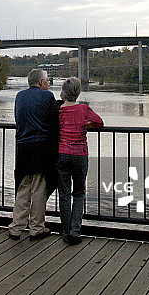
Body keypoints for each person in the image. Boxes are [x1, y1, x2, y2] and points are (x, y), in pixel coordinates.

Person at [52, 77, 103, 245]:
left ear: (63, 93)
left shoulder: (58, 109)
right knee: (79, 193)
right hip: (80, 155)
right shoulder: (84, 109)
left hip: (62, 154)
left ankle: (66, 232)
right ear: (78, 92)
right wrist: (85, 124)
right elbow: (100, 122)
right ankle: (75, 231)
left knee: (64, 194)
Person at [8, 68, 56, 241]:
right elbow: (52, 121)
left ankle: (16, 226)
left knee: (23, 186)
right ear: (41, 82)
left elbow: (17, 118)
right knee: (39, 188)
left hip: (22, 147)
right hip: (41, 147)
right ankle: (36, 228)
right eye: (48, 81)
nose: (49, 84)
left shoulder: (19, 96)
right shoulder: (48, 97)